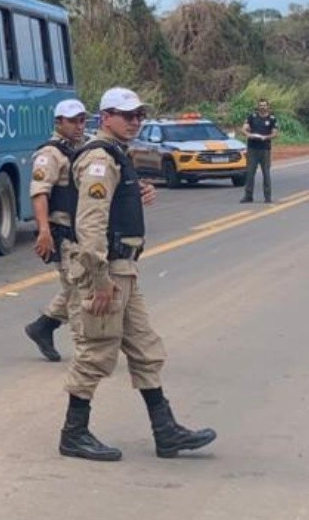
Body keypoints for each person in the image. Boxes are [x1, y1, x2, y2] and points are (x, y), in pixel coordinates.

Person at [58, 87, 217, 462]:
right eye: (127, 115)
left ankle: (166, 432)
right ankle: (73, 433)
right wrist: (99, 280)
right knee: (96, 352)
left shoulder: (117, 156)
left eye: (139, 115)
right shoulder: (99, 158)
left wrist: (136, 193)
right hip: (108, 270)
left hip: (124, 269)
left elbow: (110, 206)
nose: (135, 121)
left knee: (146, 350)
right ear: (106, 116)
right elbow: (91, 223)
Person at [23, 98, 88, 362]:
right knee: (78, 295)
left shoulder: (79, 149)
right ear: (59, 122)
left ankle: (43, 326)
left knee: (79, 285)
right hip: (64, 234)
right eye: (72, 121)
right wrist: (44, 231)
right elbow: (40, 193)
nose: (78, 126)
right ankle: (87, 354)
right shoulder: (49, 155)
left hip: (82, 232)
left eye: (82, 120)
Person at [240, 99, 279, 203]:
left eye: (264, 105)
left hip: (265, 149)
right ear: (258, 106)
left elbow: (275, 133)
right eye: (260, 105)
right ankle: (248, 196)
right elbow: (244, 128)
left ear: (268, 107)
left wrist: (266, 137)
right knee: (250, 173)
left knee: (266, 173)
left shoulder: (272, 119)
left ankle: (267, 197)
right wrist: (247, 134)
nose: (262, 107)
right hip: (252, 149)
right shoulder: (252, 117)